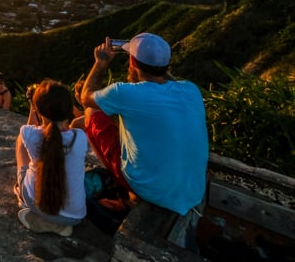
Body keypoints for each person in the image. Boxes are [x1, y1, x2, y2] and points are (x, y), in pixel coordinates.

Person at [79, 33, 208, 217]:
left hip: (151, 190)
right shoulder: (191, 89)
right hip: (193, 191)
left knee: (92, 113)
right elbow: (163, 79)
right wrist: (153, 64)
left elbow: (86, 96)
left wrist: (100, 63)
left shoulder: (124, 93)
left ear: (132, 62)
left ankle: (124, 184)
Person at [15, 79, 88, 236]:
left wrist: (33, 108)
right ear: (68, 109)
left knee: (21, 141)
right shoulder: (80, 138)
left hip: (39, 206)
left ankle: (31, 207)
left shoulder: (30, 135)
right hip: (75, 216)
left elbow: (29, 128)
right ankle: (57, 226)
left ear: (38, 110)